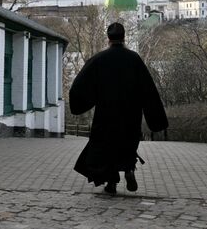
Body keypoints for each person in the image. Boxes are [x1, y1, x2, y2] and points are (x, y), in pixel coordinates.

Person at [70, 22, 168, 194]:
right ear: (124, 38)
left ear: (108, 39)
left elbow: (79, 85)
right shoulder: (134, 59)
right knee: (127, 144)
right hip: (130, 115)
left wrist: (86, 101)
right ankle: (129, 169)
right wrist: (156, 118)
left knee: (106, 148)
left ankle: (111, 183)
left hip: (106, 115)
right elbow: (148, 90)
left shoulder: (99, 59)